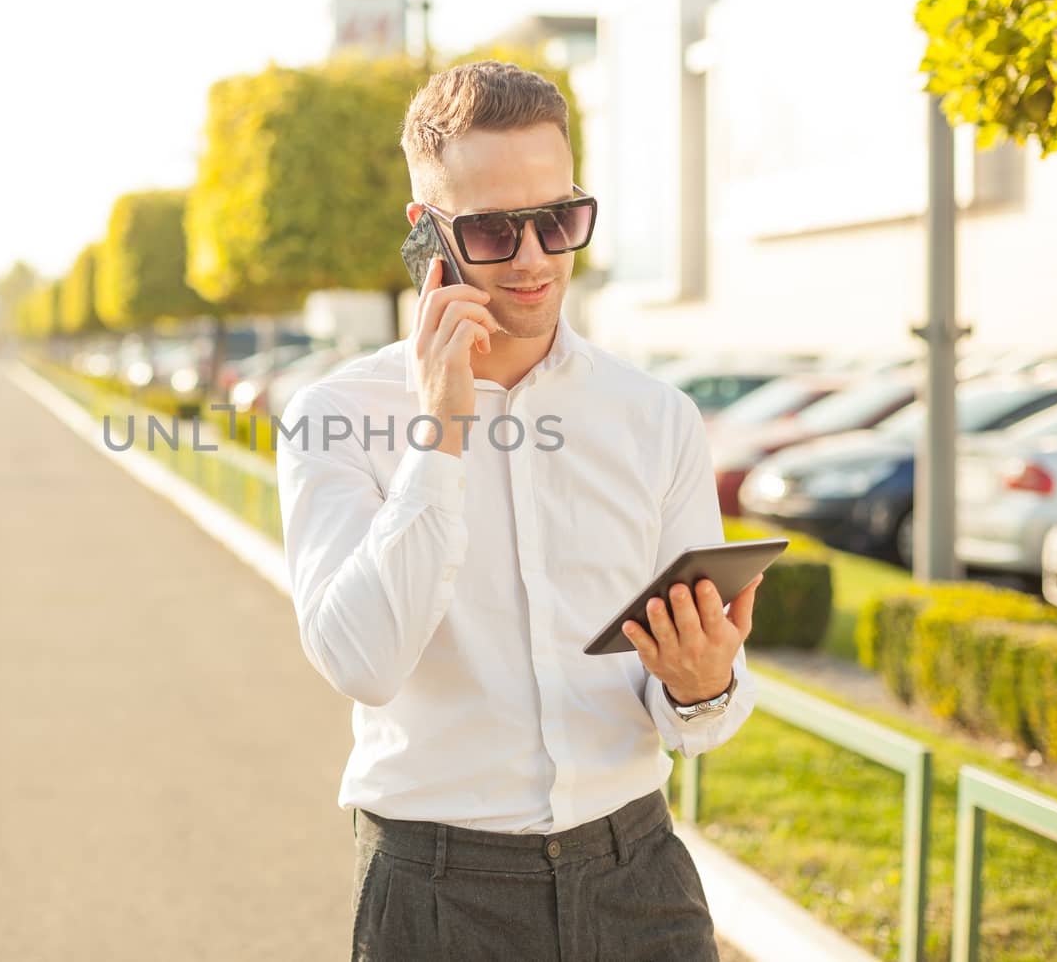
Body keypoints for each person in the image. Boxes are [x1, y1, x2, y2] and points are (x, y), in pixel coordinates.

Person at [274, 60, 763, 960]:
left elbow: (701, 712)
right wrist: (440, 434)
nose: (536, 257)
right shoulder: (335, 416)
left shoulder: (656, 417)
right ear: (429, 234)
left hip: (639, 876)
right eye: (495, 229)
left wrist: (703, 686)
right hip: (435, 898)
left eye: (559, 219)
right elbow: (362, 660)